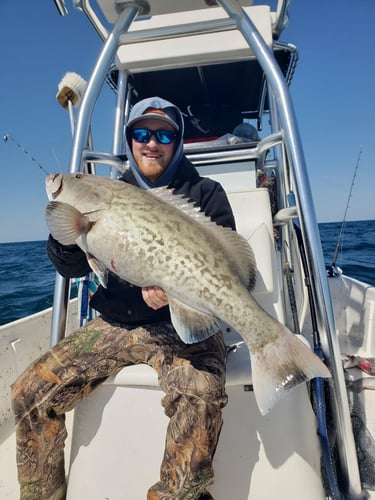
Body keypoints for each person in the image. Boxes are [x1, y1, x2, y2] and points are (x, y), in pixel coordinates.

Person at [11, 96, 236, 500]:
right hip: (116, 323)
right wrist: (67, 232)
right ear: (130, 140)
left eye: (165, 134)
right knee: (29, 393)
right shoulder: (110, 190)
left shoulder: (206, 193)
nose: (152, 143)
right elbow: (72, 268)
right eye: (142, 133)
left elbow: (220, 275)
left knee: (200, 394)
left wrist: (174, 294)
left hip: (183, 328)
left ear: (178, 141)